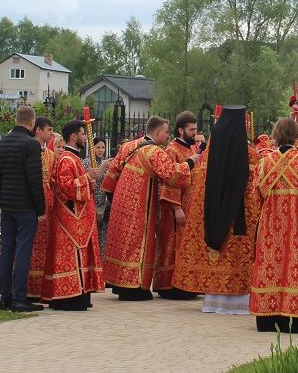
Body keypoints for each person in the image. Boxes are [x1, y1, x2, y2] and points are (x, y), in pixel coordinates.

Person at [174, 106, 259, 315]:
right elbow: (254, 184)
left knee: (219, 253)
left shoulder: (210, 152)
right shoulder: (249, 153)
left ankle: (214, 301)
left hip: (213, 214)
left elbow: (202, 186)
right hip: (241, 217)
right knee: (237, 256)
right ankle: (239, 303)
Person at [101, 116, 192, 300]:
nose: (167, 136)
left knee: (121, 242)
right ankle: (133, 288)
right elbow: (172, 174)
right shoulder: (153, 152)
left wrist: (113, 197)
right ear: (158, 132)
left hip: (120, 200)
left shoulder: (129, 145)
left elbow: (111, 175)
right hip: (138, 204)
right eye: (166, 132)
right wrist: (191, 163)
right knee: (136, 242)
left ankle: (118, 283)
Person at [250, 117, 298, 332]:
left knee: (270, 266)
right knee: (296, 265)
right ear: (297, 135)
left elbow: (256, 196)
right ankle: (297, 318)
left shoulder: (264, 162)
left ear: (275, 135)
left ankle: (268, 317)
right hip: (297, 224)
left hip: (269, 226)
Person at [42, 122, 105, 310]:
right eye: (82, 134)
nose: (85, 137)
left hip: (80, 218)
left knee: (80, 257)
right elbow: (66, 187)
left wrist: (89, 180)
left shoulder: (74, 158)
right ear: (73, 136)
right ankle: (68, 298)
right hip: (71, 219)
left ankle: (80, 295)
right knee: (71, 257)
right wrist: (88, 178)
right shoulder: (68, 159)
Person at [0, 105, 47, 313]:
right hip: (25, 206)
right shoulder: (31, 145)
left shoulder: (3, 143)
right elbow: (35, 180)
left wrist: (3, 199)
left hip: (8, 204)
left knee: (7, 250)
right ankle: (19, 298)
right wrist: (40, 208)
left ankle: (4, 297)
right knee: (24, 250)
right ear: (32, 123)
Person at [154, 111, 201, 300]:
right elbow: (169, 180)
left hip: (190, 207)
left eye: (196, 130)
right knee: (173, 246)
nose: (195, 134)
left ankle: (186, 284)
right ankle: (170, 285)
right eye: (191, 130)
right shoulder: (172, 150)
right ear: (181, 130)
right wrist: (177, 207)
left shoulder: (191, 150)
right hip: (176, 209)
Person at [26, 116, 56, 301]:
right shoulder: (29, 150)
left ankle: (42, 289)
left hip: (48, 204)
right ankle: (28, 288)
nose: (51, 133)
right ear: (38, 130)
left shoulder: (51, 155)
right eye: (48, 130)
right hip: (31, 203)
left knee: (45, 246)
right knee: (30, 246)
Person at [88, 137, 111, 256]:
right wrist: (102, 167)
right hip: (92, 201)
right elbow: (93, 180)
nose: (101, 150)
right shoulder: (88, 162)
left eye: (103, 147)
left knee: (102, 235)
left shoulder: (106, 162)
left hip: (103, 203)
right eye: (98, 147)